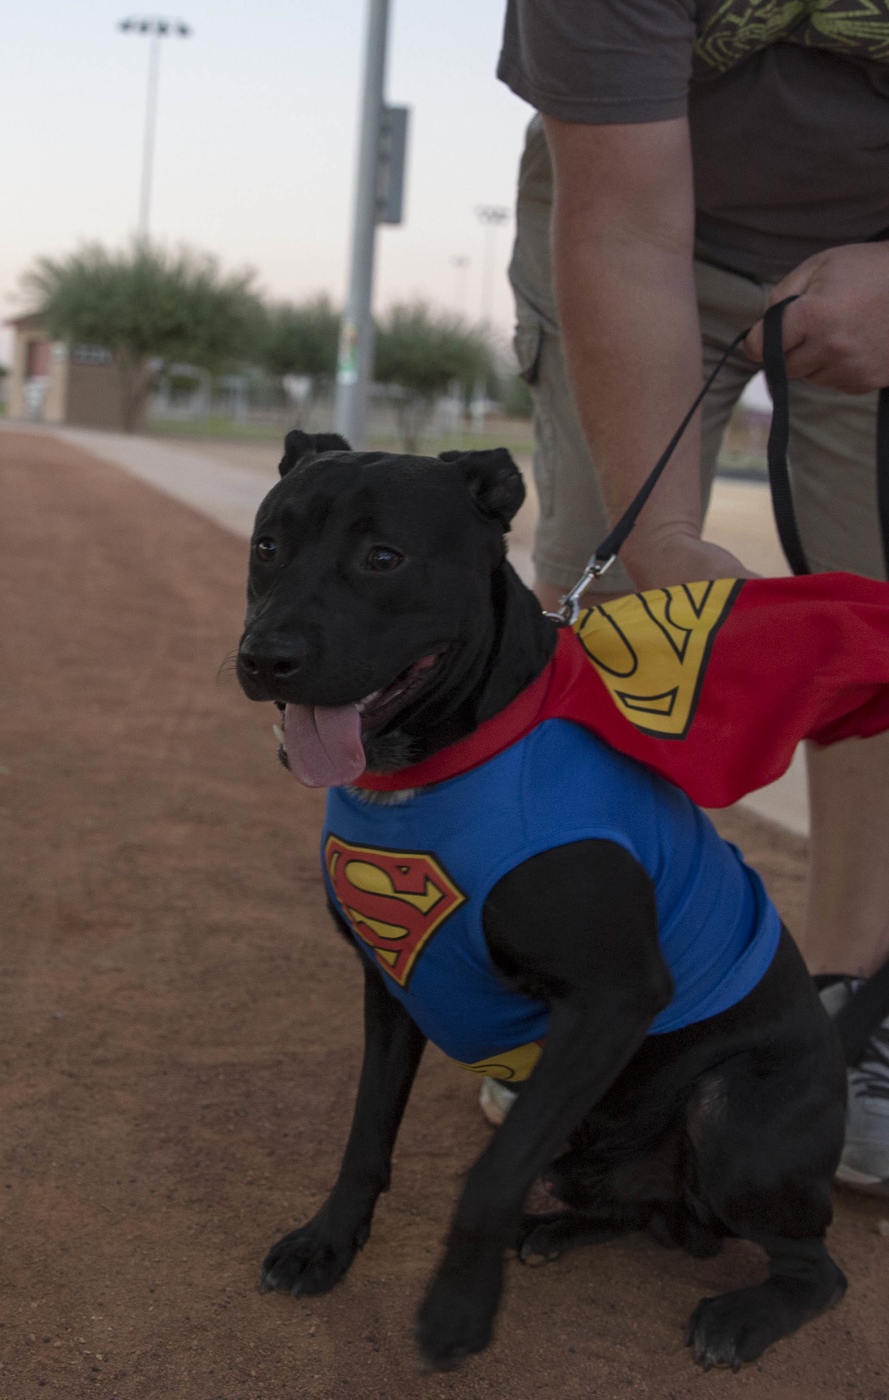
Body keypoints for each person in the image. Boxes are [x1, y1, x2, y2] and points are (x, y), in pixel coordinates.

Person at [488, 1, 889, 1192]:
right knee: (602, 610)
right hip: (634, 224)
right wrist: (659, 541)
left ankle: (848, 1007)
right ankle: (595, 993)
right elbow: (621, 229)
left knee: (873, 620)